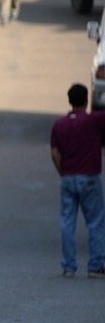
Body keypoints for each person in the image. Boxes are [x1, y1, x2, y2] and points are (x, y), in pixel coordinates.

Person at [50, 83, 105, 278]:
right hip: (89, 177)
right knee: (95, 221)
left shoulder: (59, 124)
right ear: (86, 100)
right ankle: (96, 265)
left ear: (69, 100)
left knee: (67, 221)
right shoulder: (93, 121)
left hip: (68, 177)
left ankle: (68, 266)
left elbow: (55, 153)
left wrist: (63, 171)